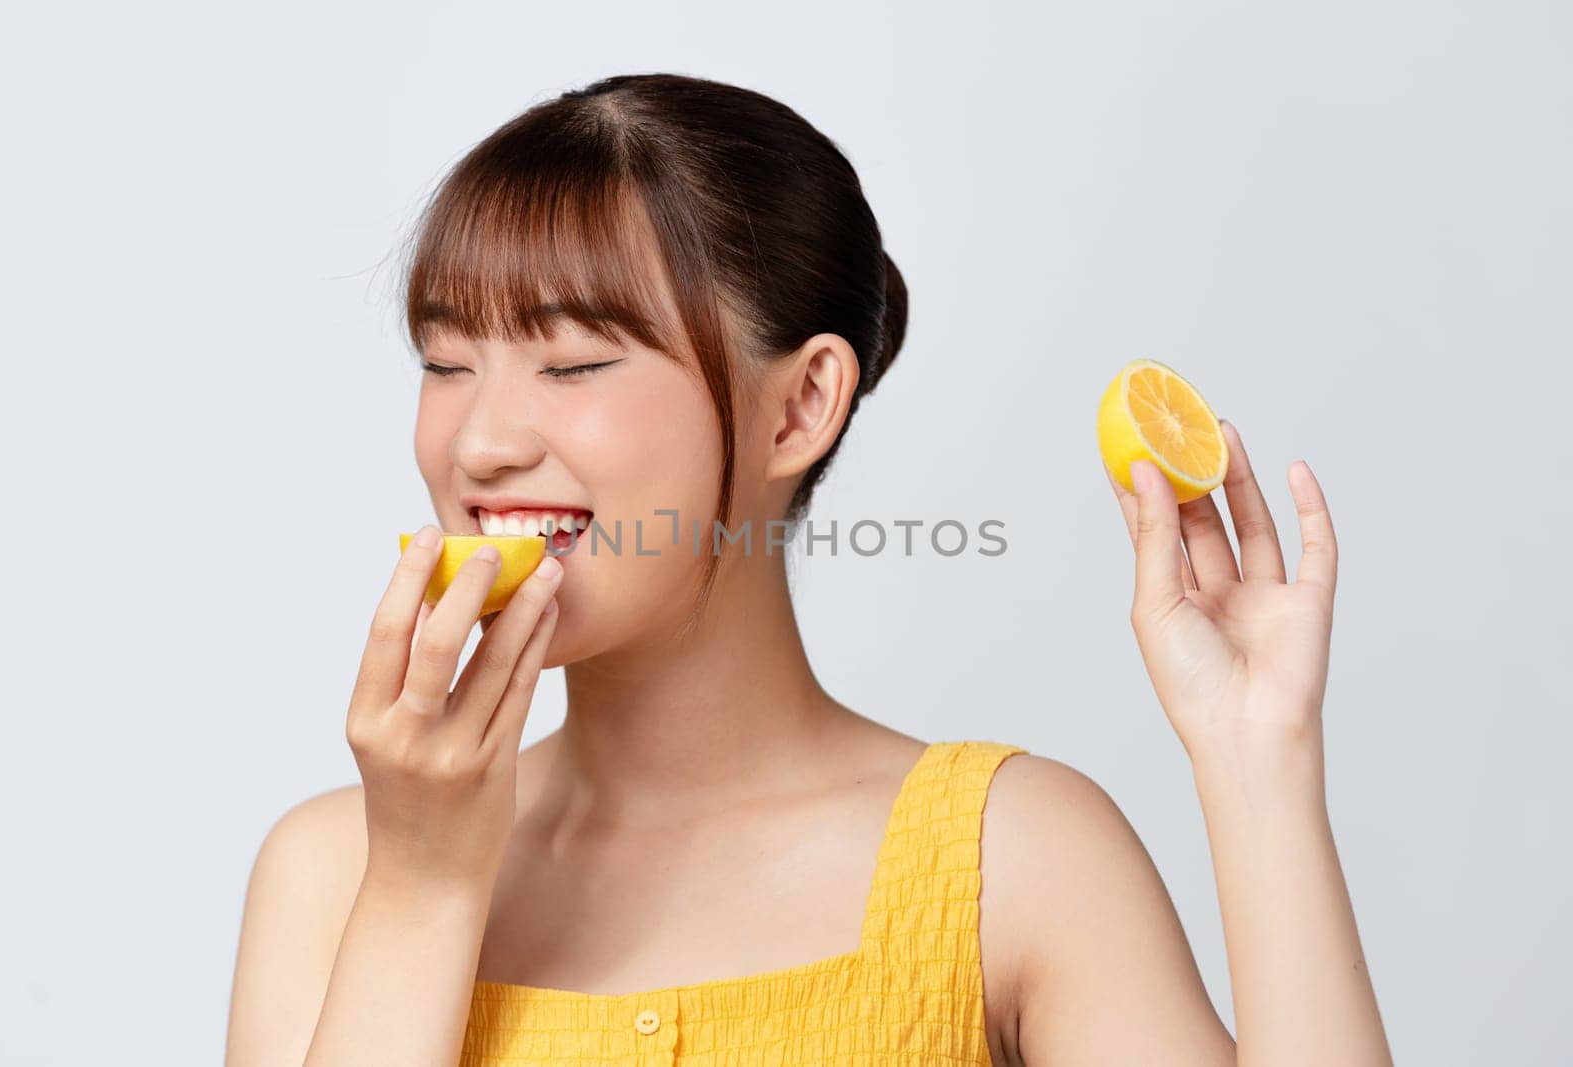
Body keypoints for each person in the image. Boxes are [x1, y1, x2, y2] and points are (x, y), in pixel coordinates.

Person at [225, 72, 1393, 1066]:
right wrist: (422, 890)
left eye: (574, 362)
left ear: (800, 406)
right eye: (444, 359)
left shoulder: (1015, 860)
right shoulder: (335, 871)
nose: (478, 443)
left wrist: (1258, 763)